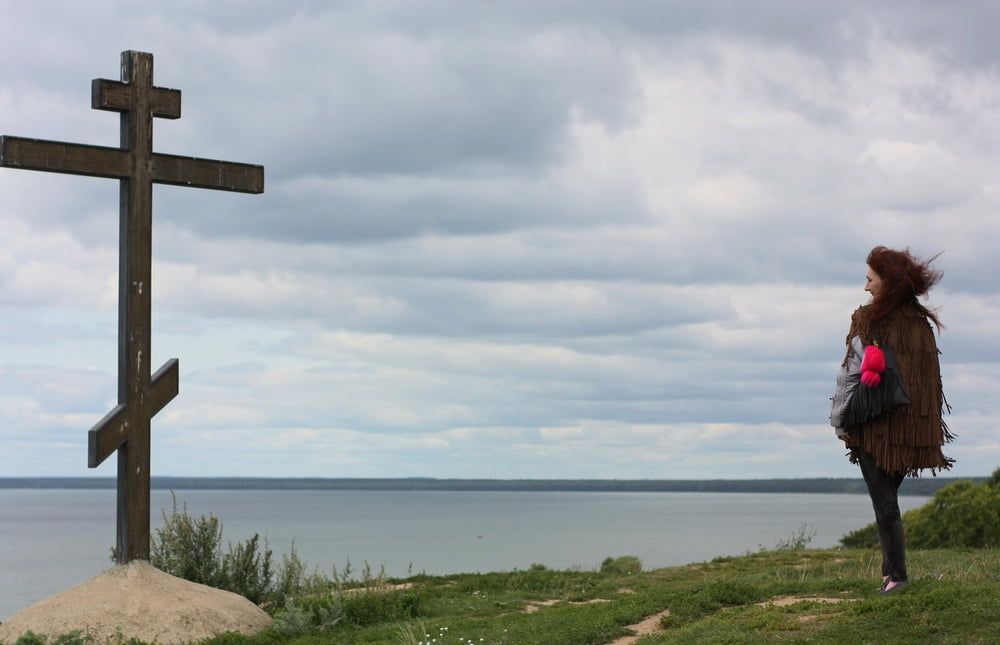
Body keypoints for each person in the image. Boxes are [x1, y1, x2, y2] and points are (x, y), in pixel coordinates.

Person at [837, 246, 954, 595]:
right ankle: (890, 573)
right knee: (886, 500)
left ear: (887, 283)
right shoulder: (922, 325)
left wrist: (841, 420)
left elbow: (850, 375)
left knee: (884, 502)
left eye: (870, 280)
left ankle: (897, 576)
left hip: (874, 427)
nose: (865, 287)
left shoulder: (866, 319)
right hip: (911, 431)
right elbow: (932, 382)